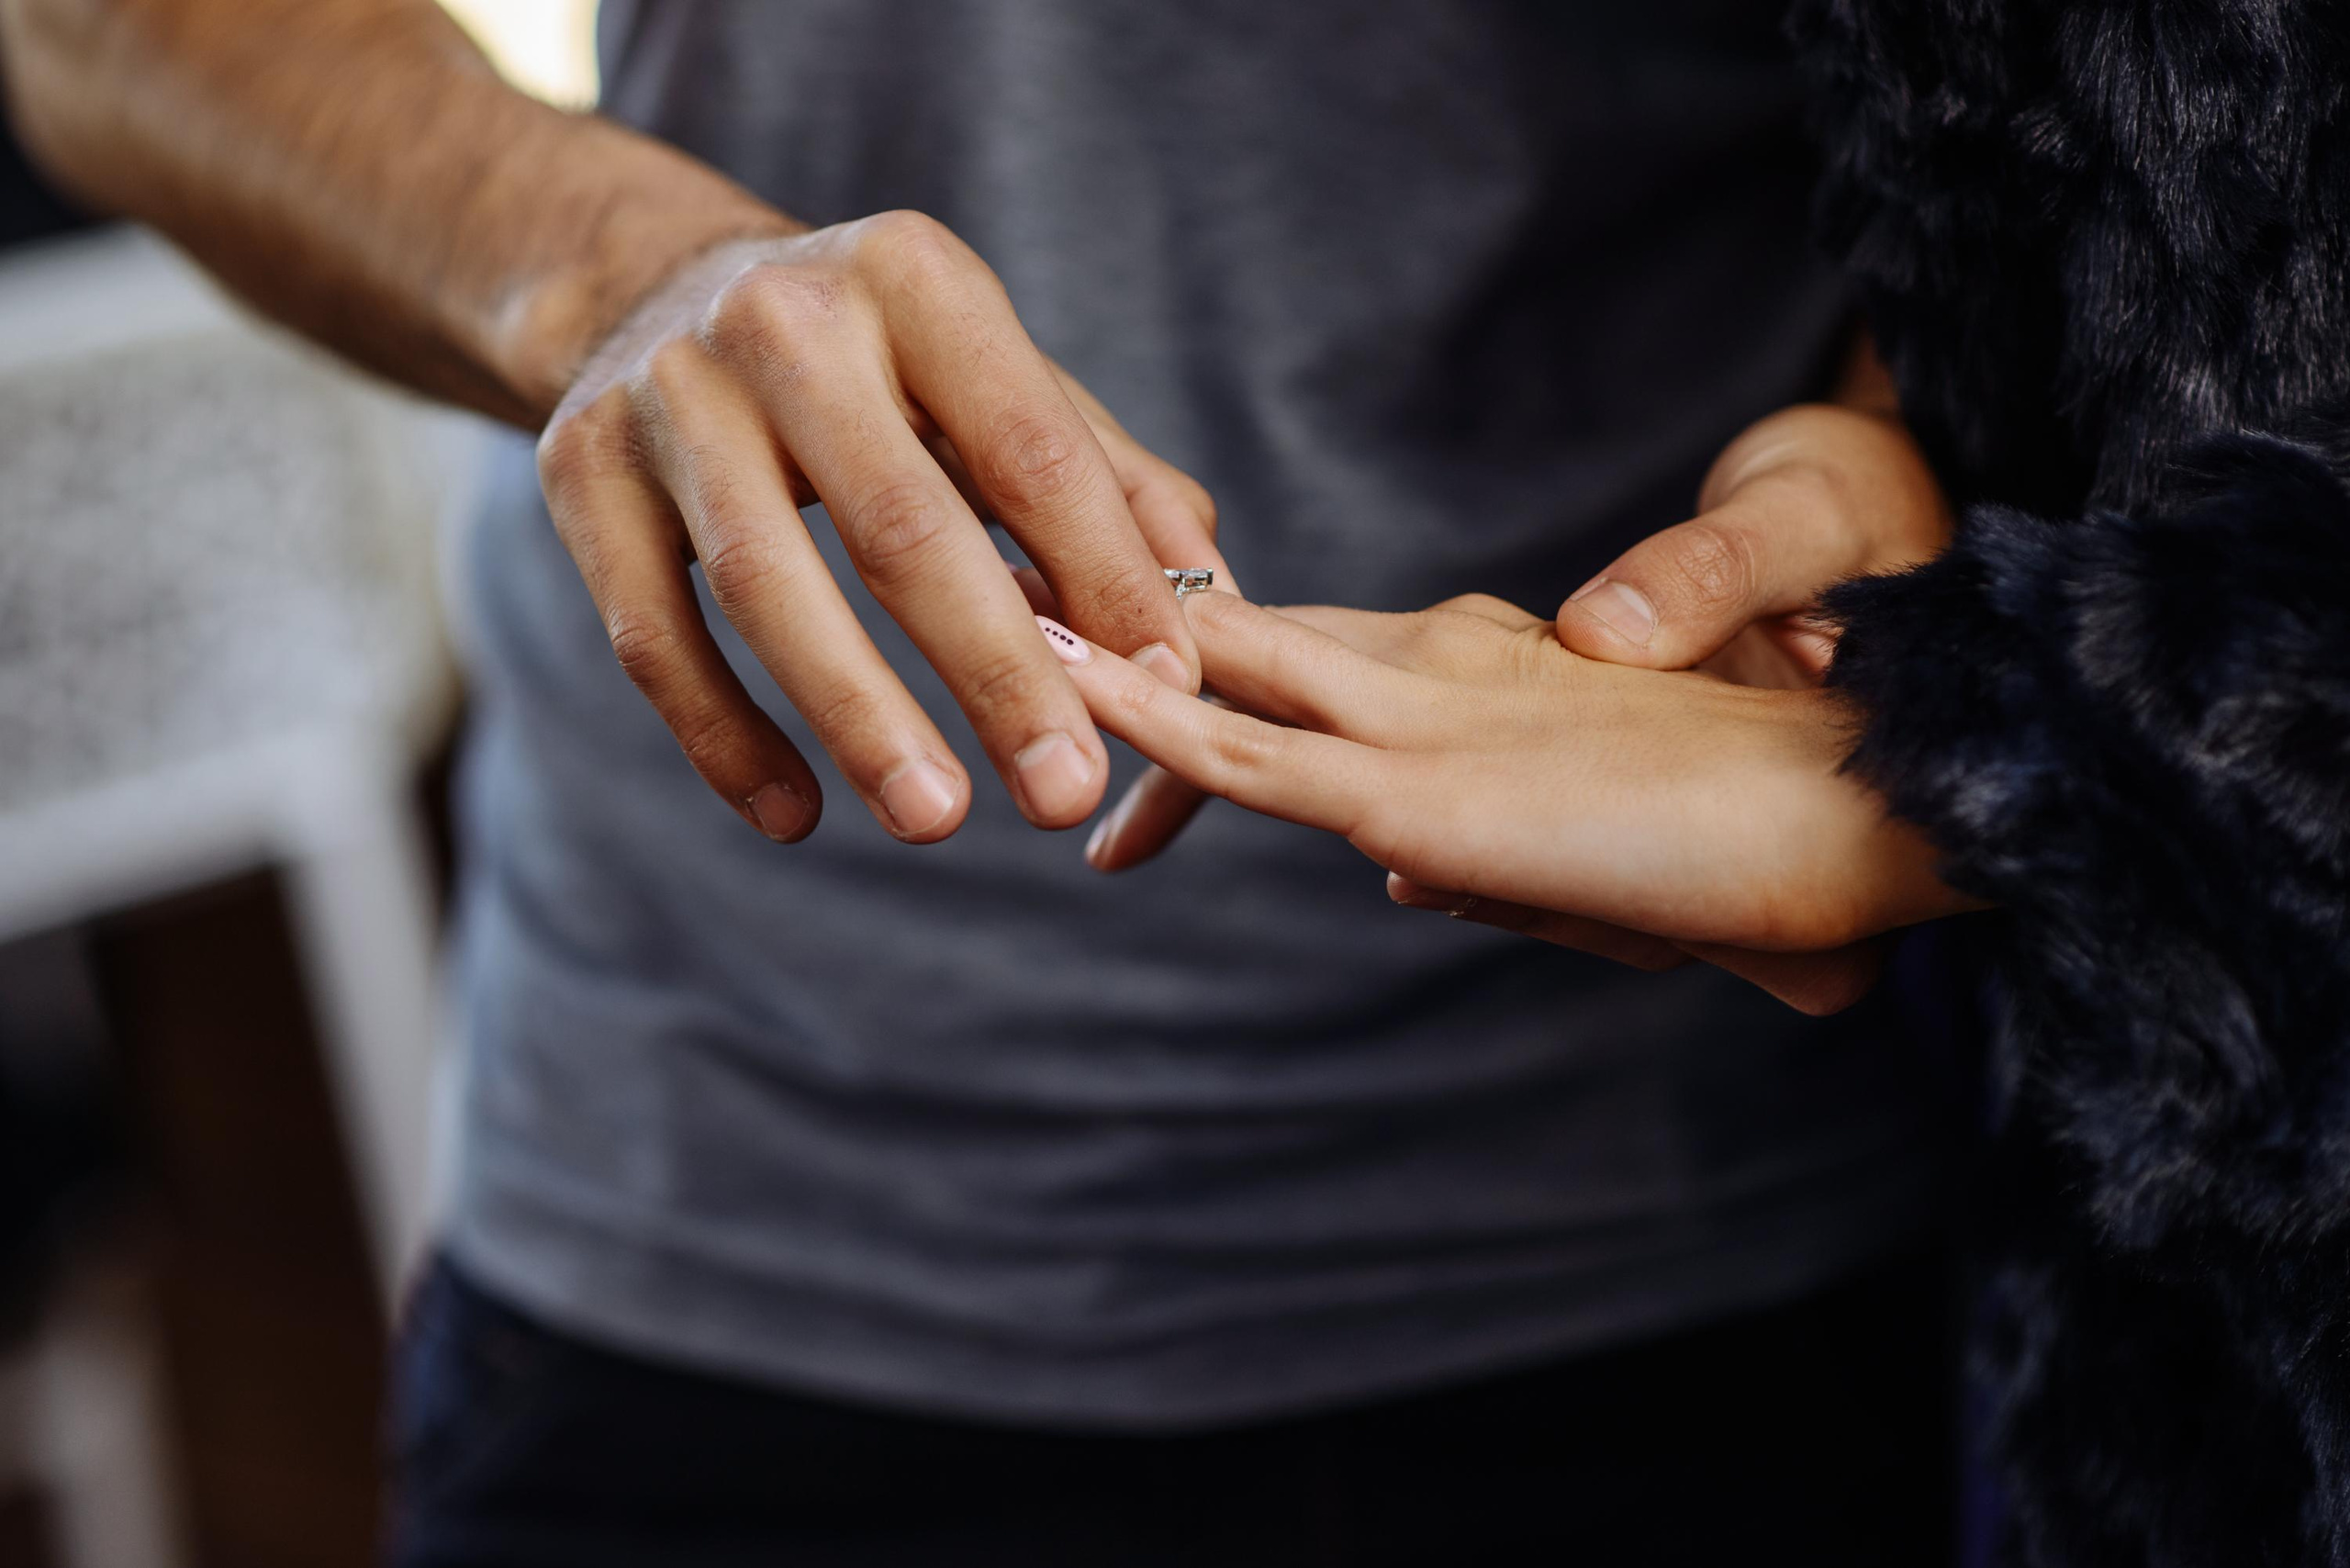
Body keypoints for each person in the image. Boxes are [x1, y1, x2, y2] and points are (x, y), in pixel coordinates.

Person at [3, 1, 1965, 1562]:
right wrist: (620, 267)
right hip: (716, 1189)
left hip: (1716, 1239)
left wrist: (1885, 466)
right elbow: (111, 25)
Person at [1045, 2, 2350, 1563]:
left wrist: (2007, 749)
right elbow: (2062, 189)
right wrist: (1884, 434)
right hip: (735, 1184)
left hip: (1741, 1255)